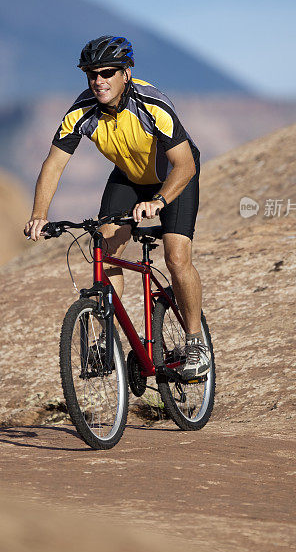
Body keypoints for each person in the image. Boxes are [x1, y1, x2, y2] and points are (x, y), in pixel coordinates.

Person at [24, 35, 209, 379]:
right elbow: (53, 164)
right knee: (105, 248)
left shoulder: (152, 104)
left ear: (126, 73)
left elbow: (185, 165)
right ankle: (107, 338)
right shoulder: (81, 112)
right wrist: (39, 216)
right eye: (91, 74)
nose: (98, 81)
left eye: (107, 72)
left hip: (174, 177)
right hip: (128, 178)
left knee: (176, 256)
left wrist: (159, 200)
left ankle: (195, 342)